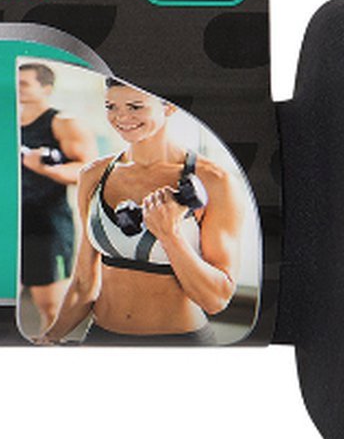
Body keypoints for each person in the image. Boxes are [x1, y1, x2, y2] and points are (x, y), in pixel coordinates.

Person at [38, 78, 242, 345]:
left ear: (170, 107)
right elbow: (83, 284)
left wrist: (170, 235)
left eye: (135, 106)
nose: (121, 117)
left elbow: (216, 299)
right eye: (111, 106)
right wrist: (50, 336)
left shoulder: (215, 181)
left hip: (179, 344)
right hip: (101, 338)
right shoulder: (93, 175)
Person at [19, 63, 97, 333]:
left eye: (24, 84)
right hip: (8, 221)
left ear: (46, 88)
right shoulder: (5, 123)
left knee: (50, 307)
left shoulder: (63, 123)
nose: (16, 88)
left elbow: (87, 171)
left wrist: (44, 168)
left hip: (46, 224)